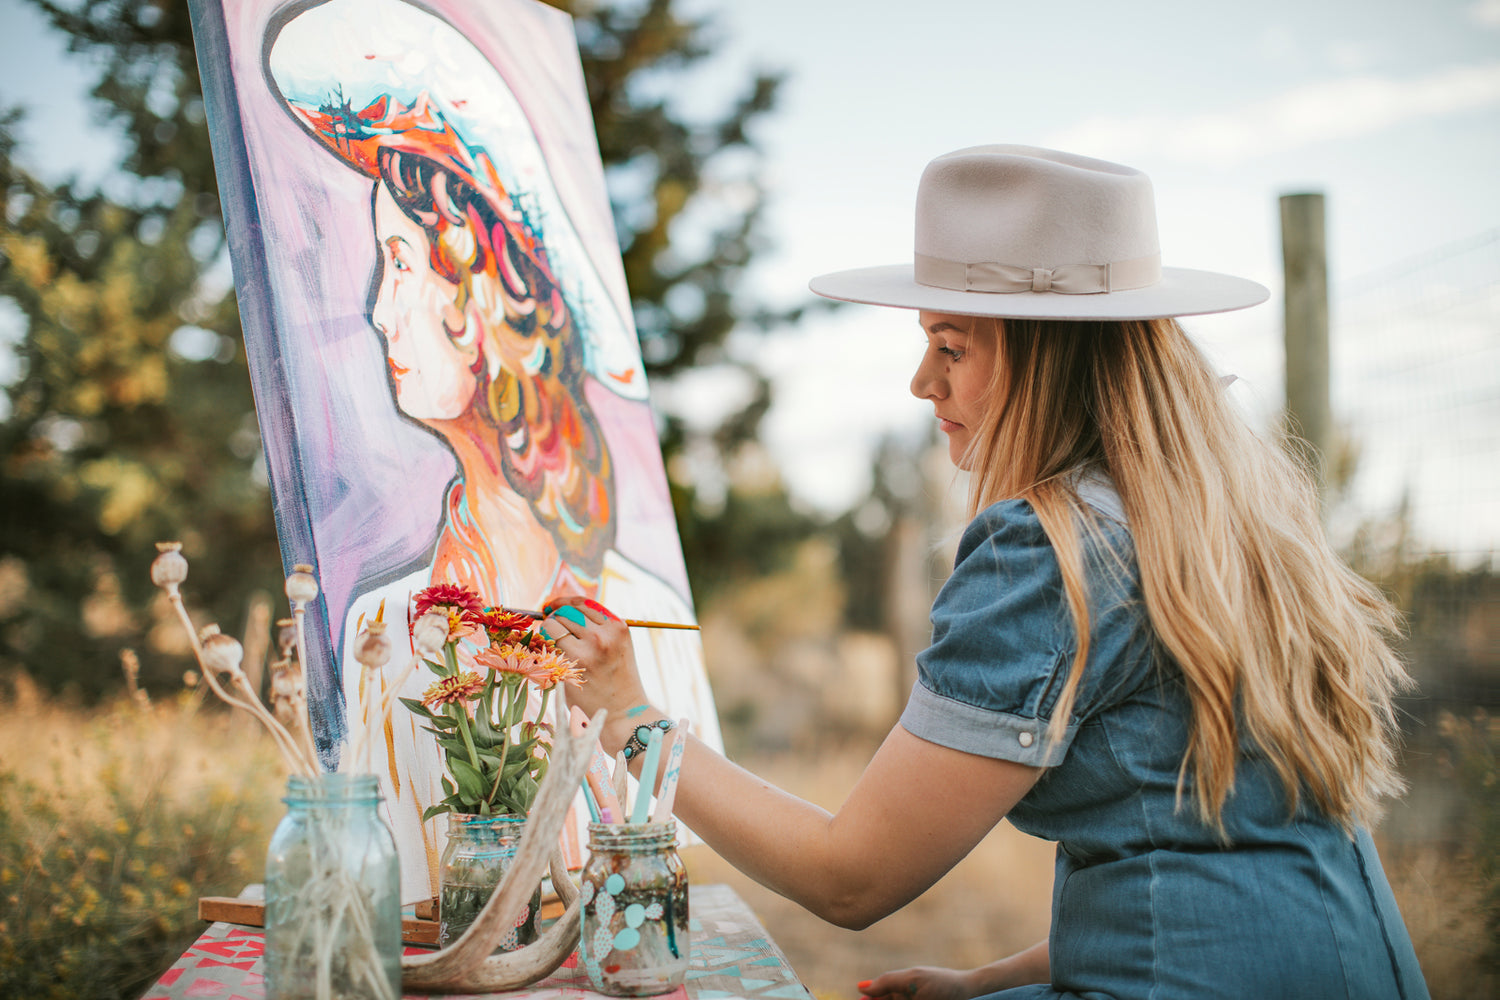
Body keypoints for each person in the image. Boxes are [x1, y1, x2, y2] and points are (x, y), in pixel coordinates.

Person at [548, 146, 1430, 999]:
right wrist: (992, 980)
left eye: (952, 346)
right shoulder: (1224, 522)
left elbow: (849, 878)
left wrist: (629, 716)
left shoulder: (1049, 549)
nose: (921, 382)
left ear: (1047, 357)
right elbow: (1216, 847)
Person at [266, 0, 720, 902]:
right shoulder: (375, 630)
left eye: (399, 261)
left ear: (475, 297)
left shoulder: (646, 620)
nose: (374, 310)